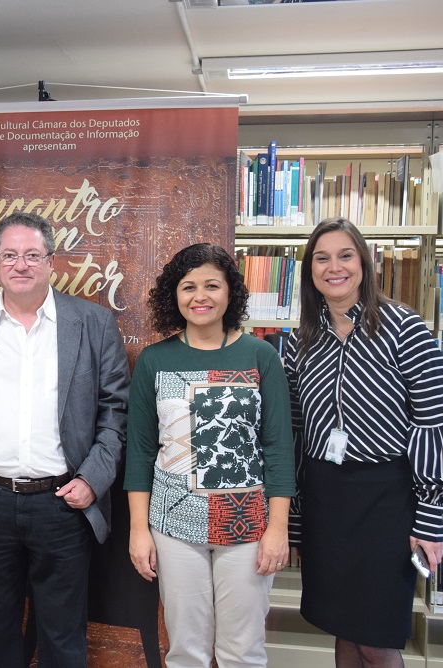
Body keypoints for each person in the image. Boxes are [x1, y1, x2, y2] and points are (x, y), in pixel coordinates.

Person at [0, 211, 130, 668]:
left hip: (64, 503)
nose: (21, 265)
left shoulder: (93, 324)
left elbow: (115, 411)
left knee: (62, 637)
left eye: (33, 255)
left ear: (51, 262)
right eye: (11, 255)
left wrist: (94, 479)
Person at [285, 217, 443, 667]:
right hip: (326, 500)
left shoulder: (404, 329)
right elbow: (293, 433)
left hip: (388, 500)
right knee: (343, 628)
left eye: (345, 255)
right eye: (322, 258)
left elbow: (430, 425)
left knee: (376, 640)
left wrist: (427, 520)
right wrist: (292, 519)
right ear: (309, 270)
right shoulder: (298, 342)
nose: (334, 267)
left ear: (363, 263)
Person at [124, 243, 294, 668]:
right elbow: (141, 451)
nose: (200, 296)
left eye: (212, 285)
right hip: (174, 524)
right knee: (186, 651)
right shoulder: (155, 361)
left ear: (230, 293)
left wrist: (277, 528)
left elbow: (277, 447)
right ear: (174, 296)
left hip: (249, 525)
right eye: (188, 287)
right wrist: (138, 529)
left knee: (242, 651)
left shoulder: (260, 356)